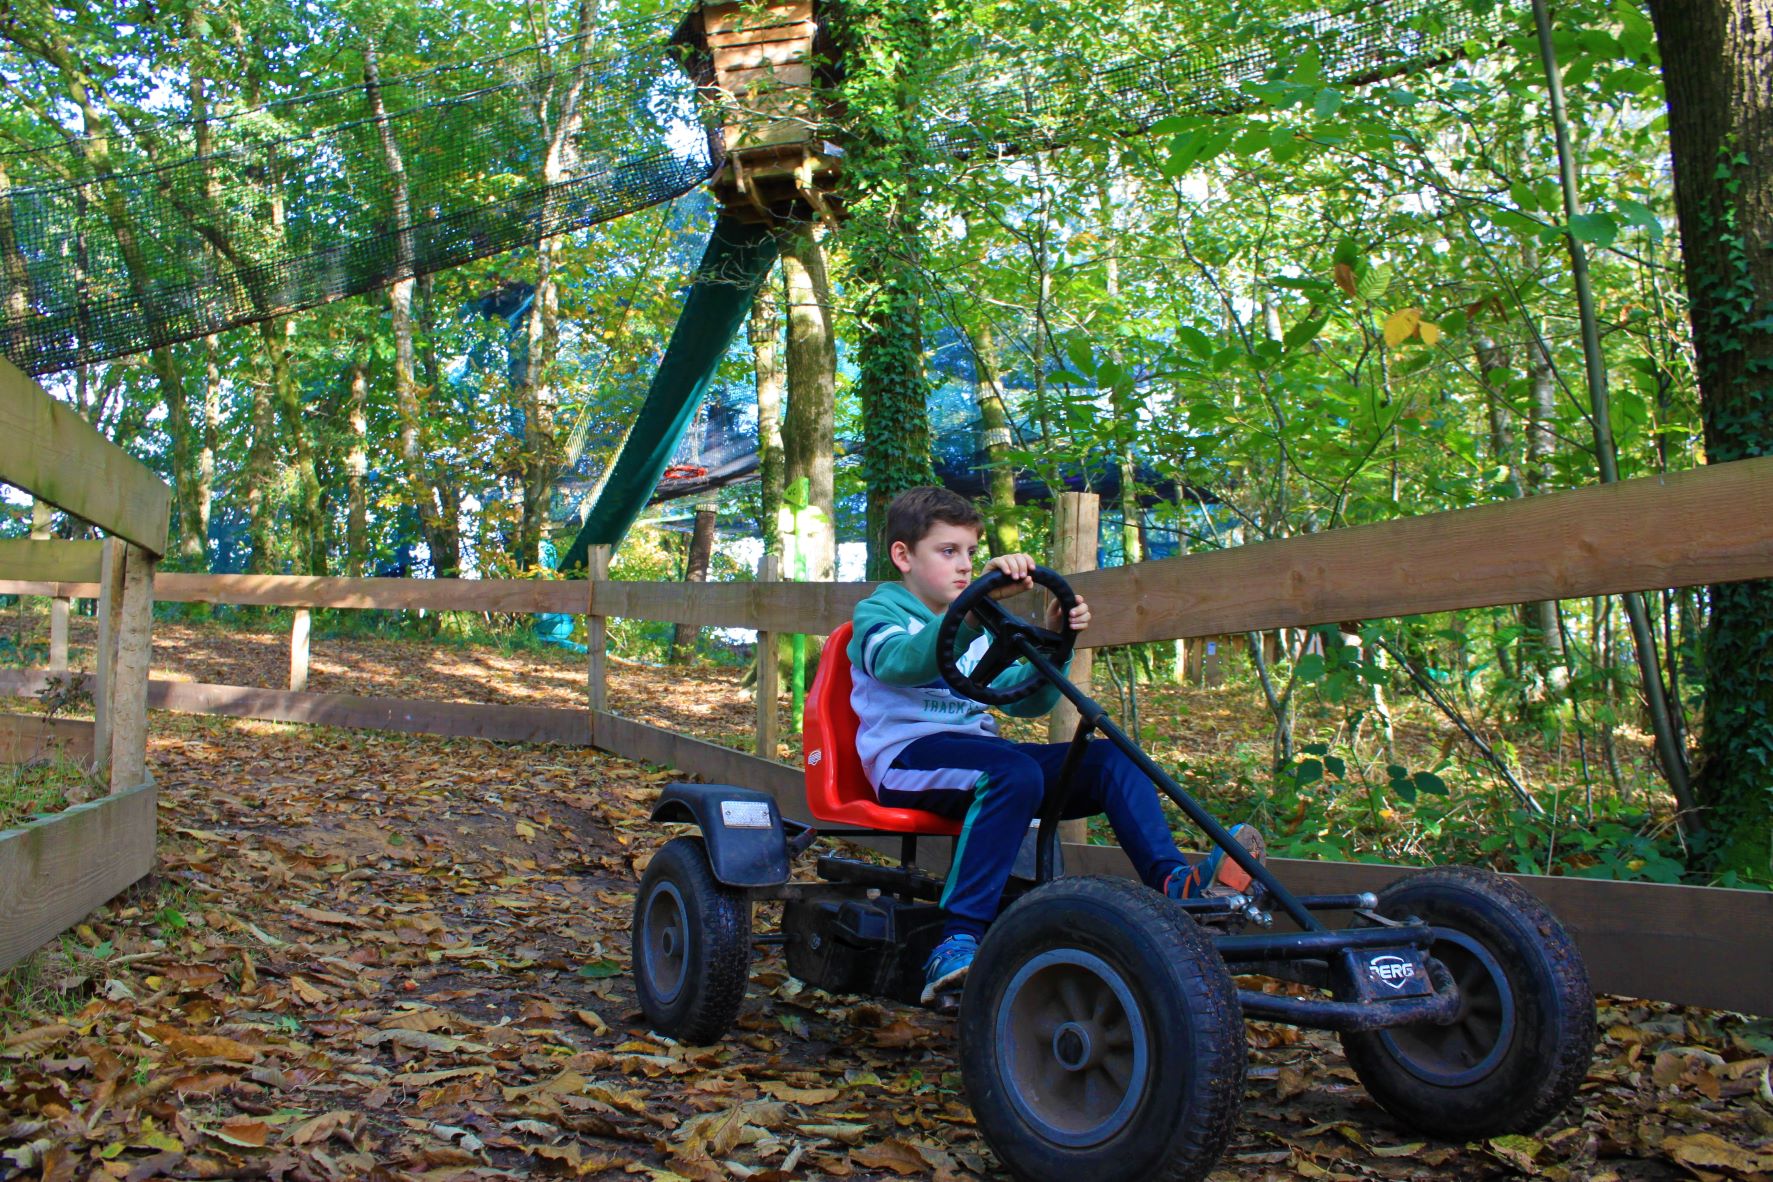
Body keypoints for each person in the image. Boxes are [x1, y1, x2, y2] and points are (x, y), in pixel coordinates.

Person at [848, 486, 1265, 1005]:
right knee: (1010, 773)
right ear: (903, 556)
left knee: (1112, 759)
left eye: (971, 554)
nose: (964, 566)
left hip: (980, 755)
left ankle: (1175, 885)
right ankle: (955, 939)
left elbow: (1026, 703)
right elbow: (901, 662)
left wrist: (1056, 638)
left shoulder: (974, 622)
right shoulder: (879, 613)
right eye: (948, 551)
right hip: (906, 762)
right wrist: (973, 614)